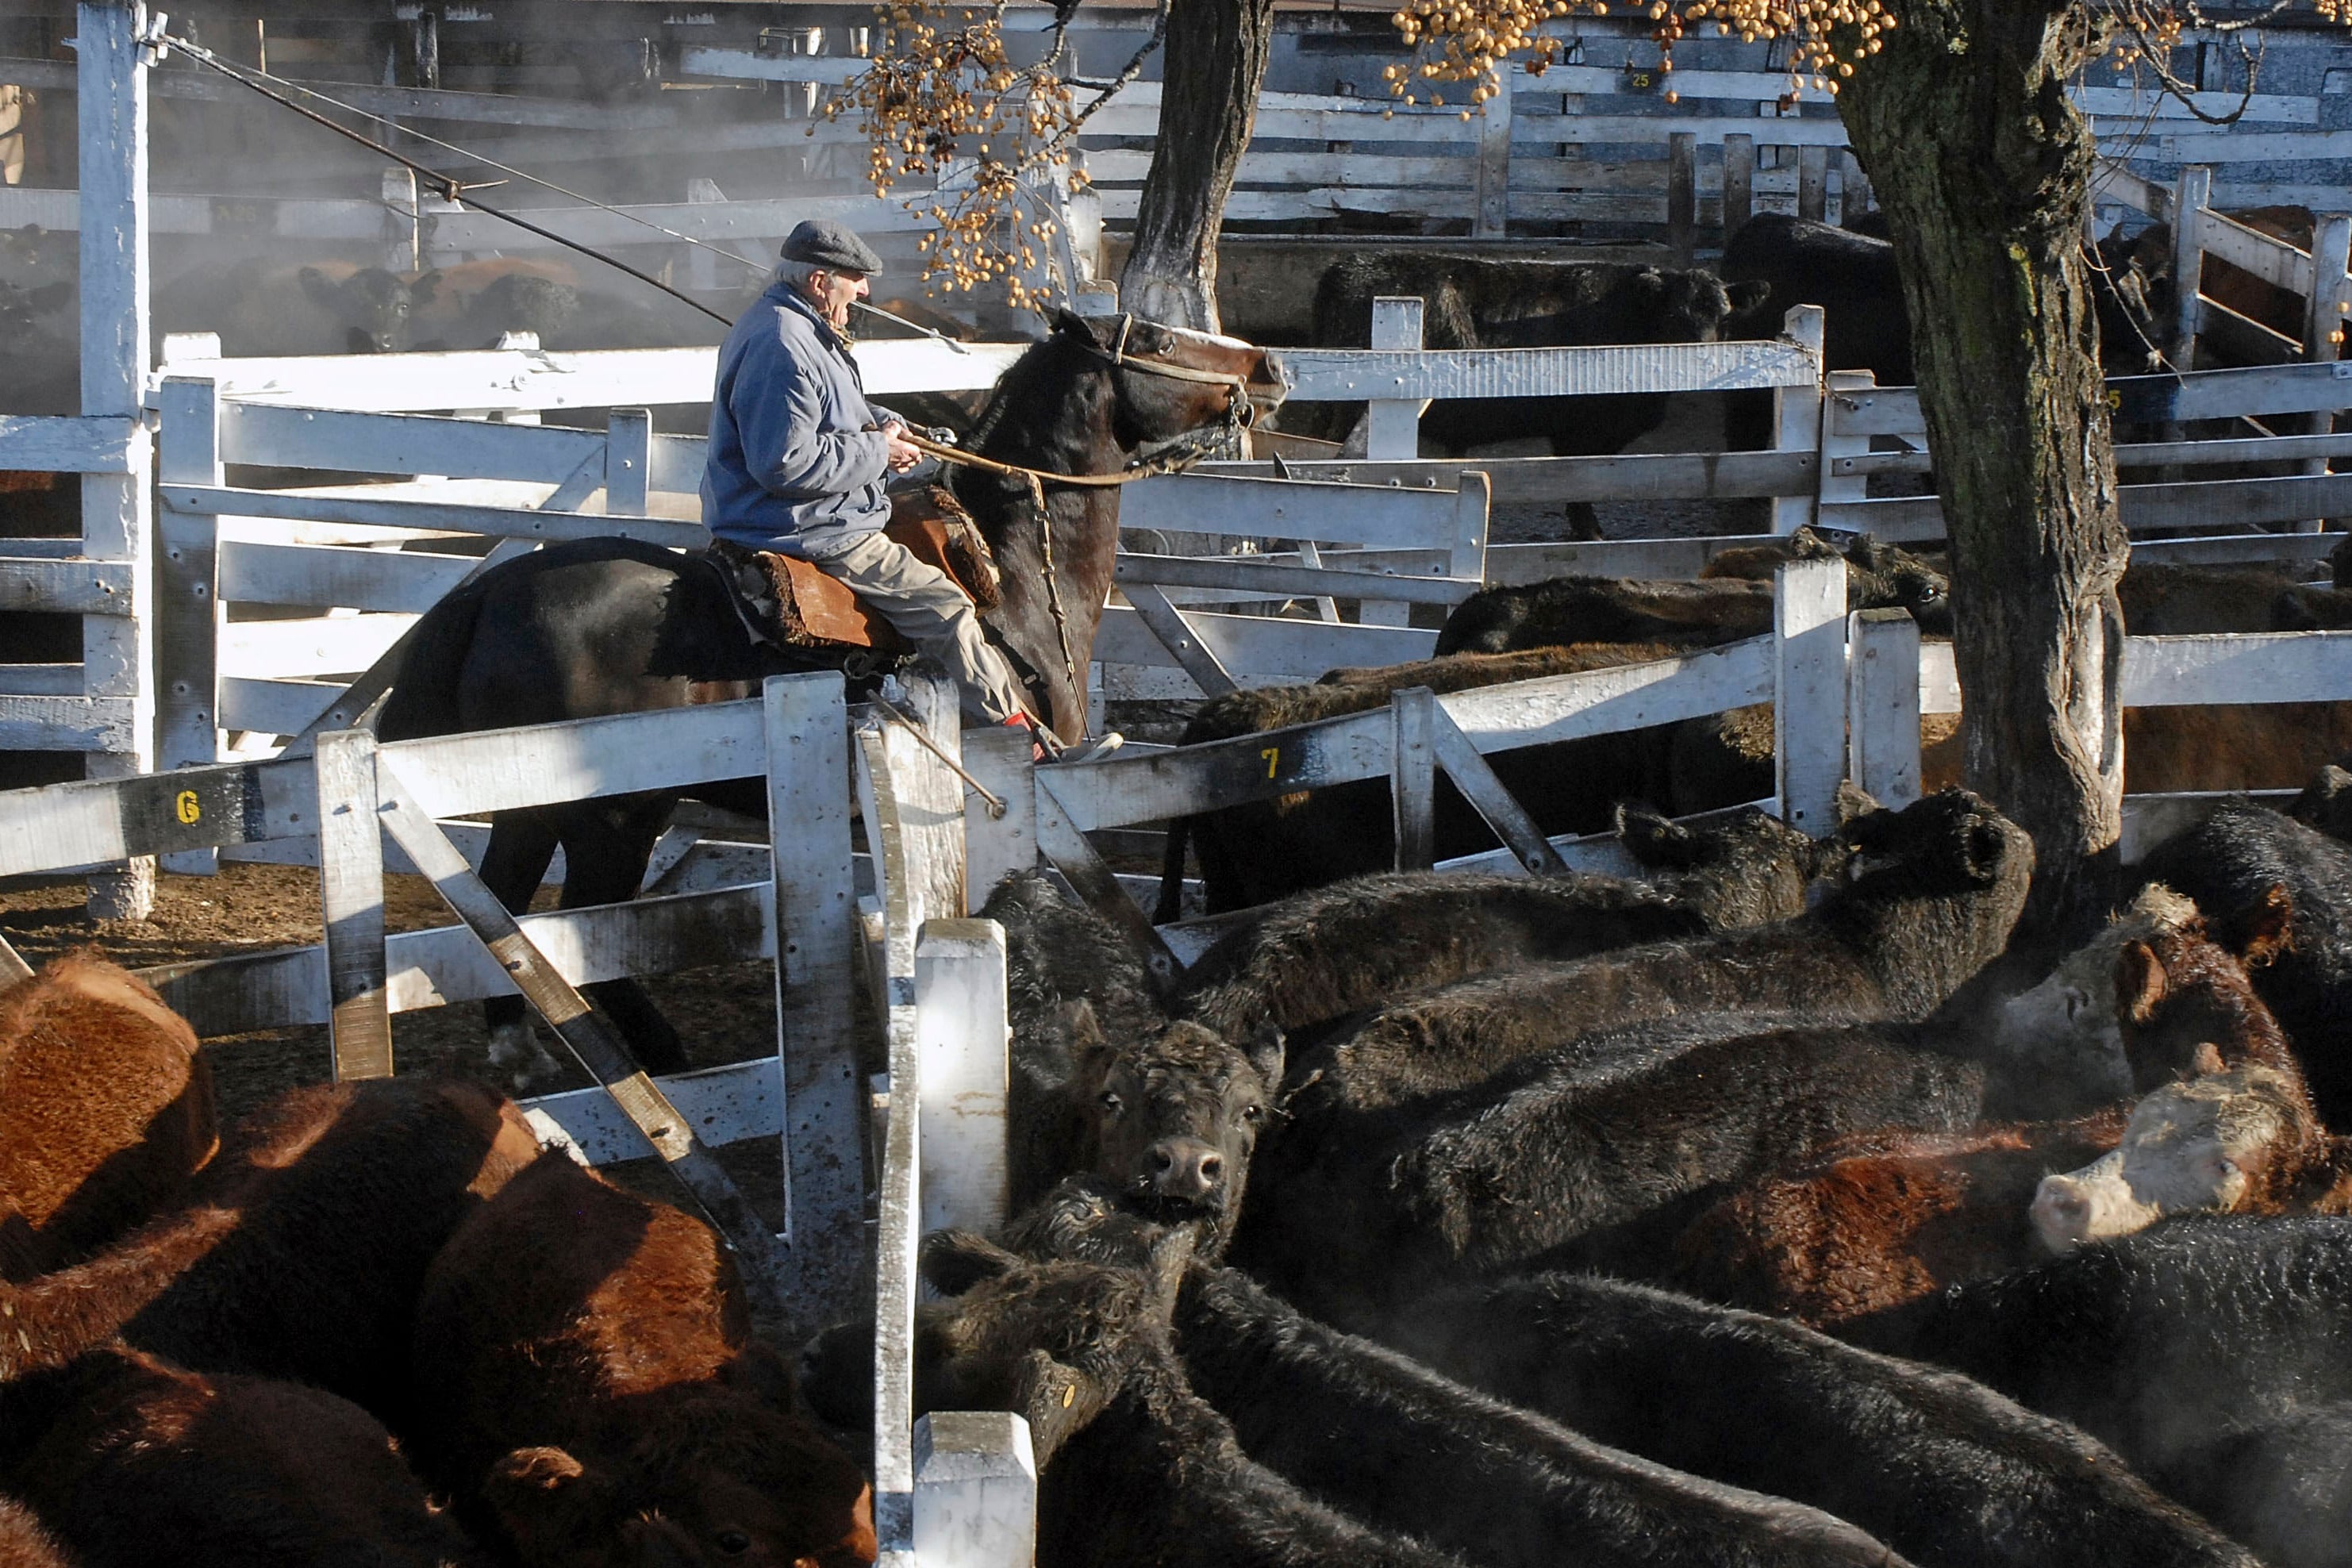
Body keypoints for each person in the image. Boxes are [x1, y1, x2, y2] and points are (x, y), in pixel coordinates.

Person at [703, 219, 1051, 751]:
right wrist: (879, 452)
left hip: (806, 514)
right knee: (945, 607)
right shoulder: (784, 344)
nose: (864, 290)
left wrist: (884, 426)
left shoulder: (797, 327)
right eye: (854, 278)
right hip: (804, 526)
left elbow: (835, 410)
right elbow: (785, 465)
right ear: (820, 281)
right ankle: (1017, 744)